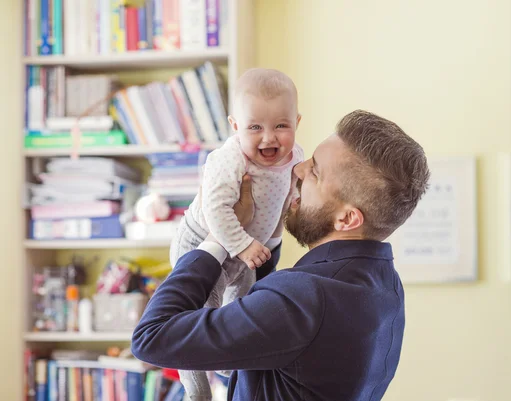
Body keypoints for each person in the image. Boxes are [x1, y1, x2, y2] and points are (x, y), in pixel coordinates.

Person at [132, 110, 430, 401]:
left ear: (347, 219)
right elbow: (273, 329)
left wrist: (218, 237)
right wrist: (258, 230)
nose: (297, 170)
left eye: (314, 172)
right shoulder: (384, 285)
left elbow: (152, 337)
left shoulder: (305, 297)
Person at [169, 68, 303, 400]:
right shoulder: (230, 159)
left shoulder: (295, 157)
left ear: (297, 122)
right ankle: (196, 390)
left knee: (242, 305)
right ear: (235, 127)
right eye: (255, 127)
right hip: (203, 242)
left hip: (248, 248)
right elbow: (216, 210)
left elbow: (284, 202)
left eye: (281, 126)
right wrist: (243, 245)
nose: (269, 138)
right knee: (199, 316)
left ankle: (229, 365)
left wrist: (269, 245)